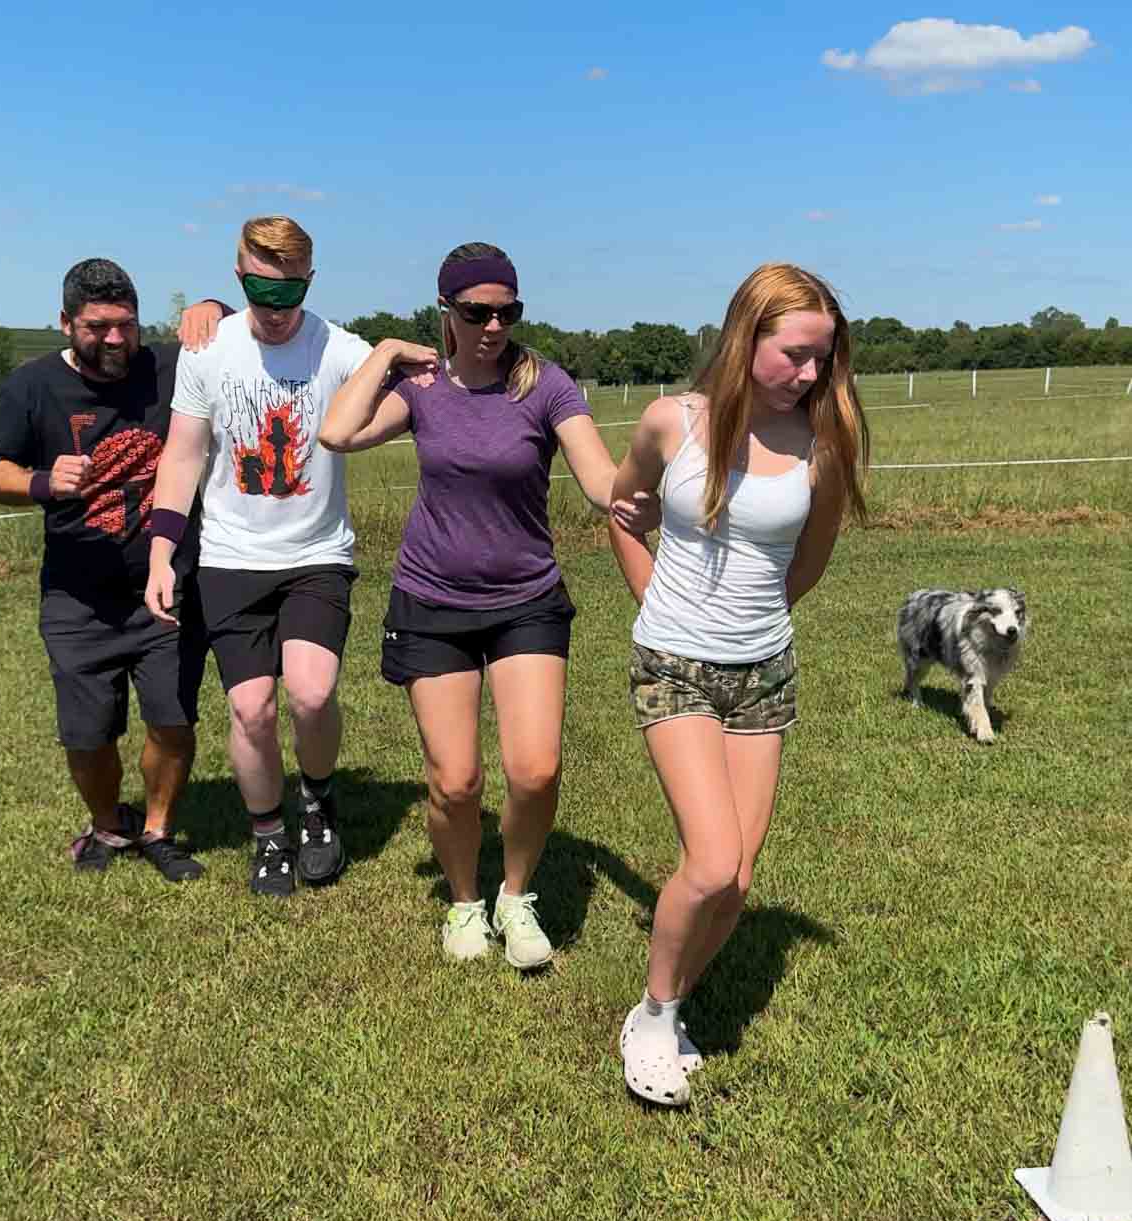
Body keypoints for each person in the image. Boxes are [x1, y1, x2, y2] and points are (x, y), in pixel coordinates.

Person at [319, 241, 656, 967]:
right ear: (446, 311)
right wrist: (384, 354)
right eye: (477, 312)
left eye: (507, 311)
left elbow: (600, 480)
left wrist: (655, 477)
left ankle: (515, 894)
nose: (494, 326)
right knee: (456, 778)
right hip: (431, 600)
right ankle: (465, 902)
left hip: (526, 600)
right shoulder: (421, 387)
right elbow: (336, 433)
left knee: (534, 770)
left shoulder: (545, 385)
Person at [608, 263, 869, 1106]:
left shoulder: (823, 445)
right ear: (745, 337)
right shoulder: (669, 423)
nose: (810, 374)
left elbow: (809, 561)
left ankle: (673, 1001)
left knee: (739, 877)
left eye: (822, 361)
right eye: (795, 355)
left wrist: (749, 626)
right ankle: (650, 1014)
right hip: (672, 664)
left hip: (764, 671)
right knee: (712, 861)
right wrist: (658, 604)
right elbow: (624, 509)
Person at [146, 216, 374, 898]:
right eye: (259, 292)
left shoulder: (338, 348)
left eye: (289, 296)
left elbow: (410, 387)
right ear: (238, 276)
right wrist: (162, 553)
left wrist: (393, 349)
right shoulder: (207, 350)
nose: (276, 314)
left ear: (309, 281)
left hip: (314, 553)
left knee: (310, 692)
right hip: (229, 558)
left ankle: (318, 800)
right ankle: (269, 834)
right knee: (251, 710)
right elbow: (182, 454)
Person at [0, 258, 214, 881]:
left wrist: (213, 307)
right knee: (87, 731)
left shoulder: (168, 365)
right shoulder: (33, 386)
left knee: (171, 717)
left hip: (162, 584)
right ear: (65, 323)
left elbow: (248, 334)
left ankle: (158, 828)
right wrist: (44, 481)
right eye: (96, 326)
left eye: (125, 325)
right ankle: (108, 823)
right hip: (77, 593)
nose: (113, 339)